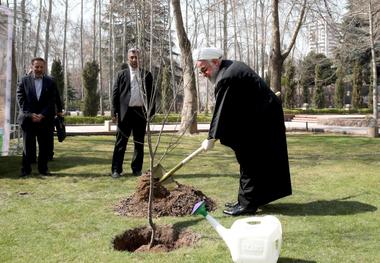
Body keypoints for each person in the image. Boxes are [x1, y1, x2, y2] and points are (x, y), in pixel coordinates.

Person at [195, 47, 292, 216]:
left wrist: (211, 137)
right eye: (200, 71)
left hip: (264, 120)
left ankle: (247, 204)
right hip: (259, 118)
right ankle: (249, 199)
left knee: (249, 159)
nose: (203, 74)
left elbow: (221, 110)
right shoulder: (229, 69)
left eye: (204, 69)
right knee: (252, 159)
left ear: (216, 62)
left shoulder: (227, 76)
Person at [111, 48, 155, 178]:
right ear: (128, 58)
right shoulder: (121, 75)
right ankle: (116, 170)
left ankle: (136, 169)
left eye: (136, 57)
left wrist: (150, 113)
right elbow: (115, 94)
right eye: (132, 57)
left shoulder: (147, 75)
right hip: (125, 113)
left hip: (140, 113)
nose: (134, 60)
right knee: (120, 143)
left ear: (140, 59)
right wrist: (114, 112)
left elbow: (152, 94)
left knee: (139, 143)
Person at [16, 57, 57, 177]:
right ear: (32, 67)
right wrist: (30, 114)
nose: (39, 69)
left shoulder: (50, 82)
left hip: (44, 120)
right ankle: (25, 170)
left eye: (41, 67)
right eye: (36, 67)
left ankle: (43, 169)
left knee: (44, 146)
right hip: (28, 119)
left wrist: (42, 114)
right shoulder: (24, 80)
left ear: (44, 67)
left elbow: (51, 100)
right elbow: (20, 99)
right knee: (28, 146)